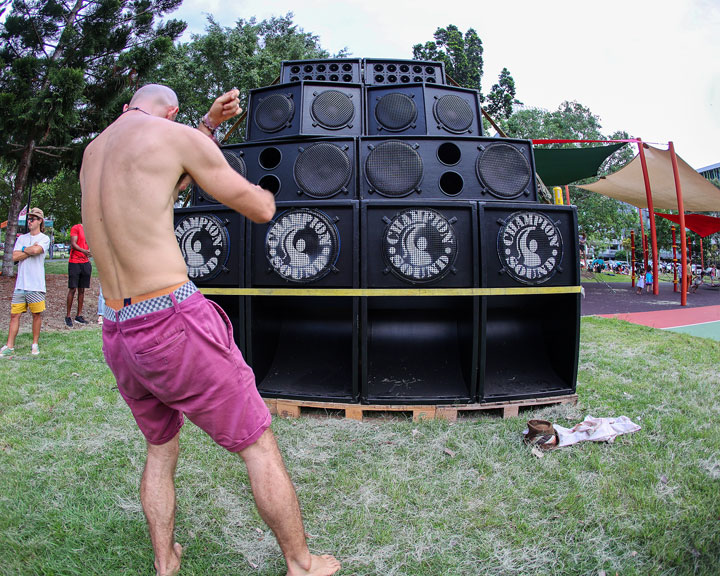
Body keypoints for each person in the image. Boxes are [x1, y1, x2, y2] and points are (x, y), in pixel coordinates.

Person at [80, 84, 340, 576]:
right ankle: (303, 565)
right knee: (258, 442)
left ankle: (165, 562)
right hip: (170, 320)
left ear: (127, 109)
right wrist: (267, 187)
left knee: (159, 449)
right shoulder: (175, 137)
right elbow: (260, 210)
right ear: (172, 111)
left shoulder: (97, 150)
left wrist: (208, 130)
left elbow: (154, 187)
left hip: (117, 326)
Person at [1, 208, 51, 358]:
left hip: (36, 285)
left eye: (33, 219)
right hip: (20, 285)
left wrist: (27, 251)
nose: (30, 221)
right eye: (29, 219)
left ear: (40, 221)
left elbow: (37, 250)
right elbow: (14, 257)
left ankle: (34, 344)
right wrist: (27, 249)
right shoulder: (22, 238)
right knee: (14, 315)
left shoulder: (44, 238)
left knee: (36, 315)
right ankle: (10, 346)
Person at [65, 222, 92, 327]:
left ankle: (78, 315)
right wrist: (84, 251)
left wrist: (89, 252)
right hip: (74, 262)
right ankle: (68, 316)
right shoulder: (76, 227)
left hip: (85, 262)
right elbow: (73, 244)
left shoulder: (90, 229)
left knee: (82, 290)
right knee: (72, 289)